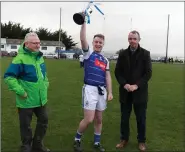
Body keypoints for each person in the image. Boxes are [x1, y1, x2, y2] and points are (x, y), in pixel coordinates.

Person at [4, 32, 50, 152]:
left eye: (39, 43)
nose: (38, 45)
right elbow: (9, 77)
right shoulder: (19, 59)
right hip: (26, 100)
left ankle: (37, 145)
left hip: (41, 99)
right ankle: (26, 147)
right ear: (27, 44)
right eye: (35, 43)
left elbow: (44, 75)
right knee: (26, 126)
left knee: (44, 120)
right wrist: (21, 92)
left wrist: (46, 84)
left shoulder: (40, 57)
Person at [73, 20, 113, 152]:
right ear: (93, 42)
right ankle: (77, 139)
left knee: (99, 119)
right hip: (90, 89)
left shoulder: (105, 60)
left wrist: (110, 92)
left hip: (102, 91)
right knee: (89, 119)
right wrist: (83, 23)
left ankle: (96, 143)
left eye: (100, 42)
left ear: (103, 44)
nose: (98, 44)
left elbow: (107, 76)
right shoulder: (88, 54)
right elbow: (82, 38)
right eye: (96, 41)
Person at [114, 30, 152, 152]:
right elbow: (117, 72)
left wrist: (136, 86)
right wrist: (124, 84)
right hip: (125, 92)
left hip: (140, 93)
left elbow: (148, 73)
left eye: (134, 39)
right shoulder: (122, 53)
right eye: (130, 38)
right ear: (128, 39)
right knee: (124, 118)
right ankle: (124, 139)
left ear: (139, 40)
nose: (132, 41)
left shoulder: (145, 54)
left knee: (141, 118)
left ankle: (141, 141)